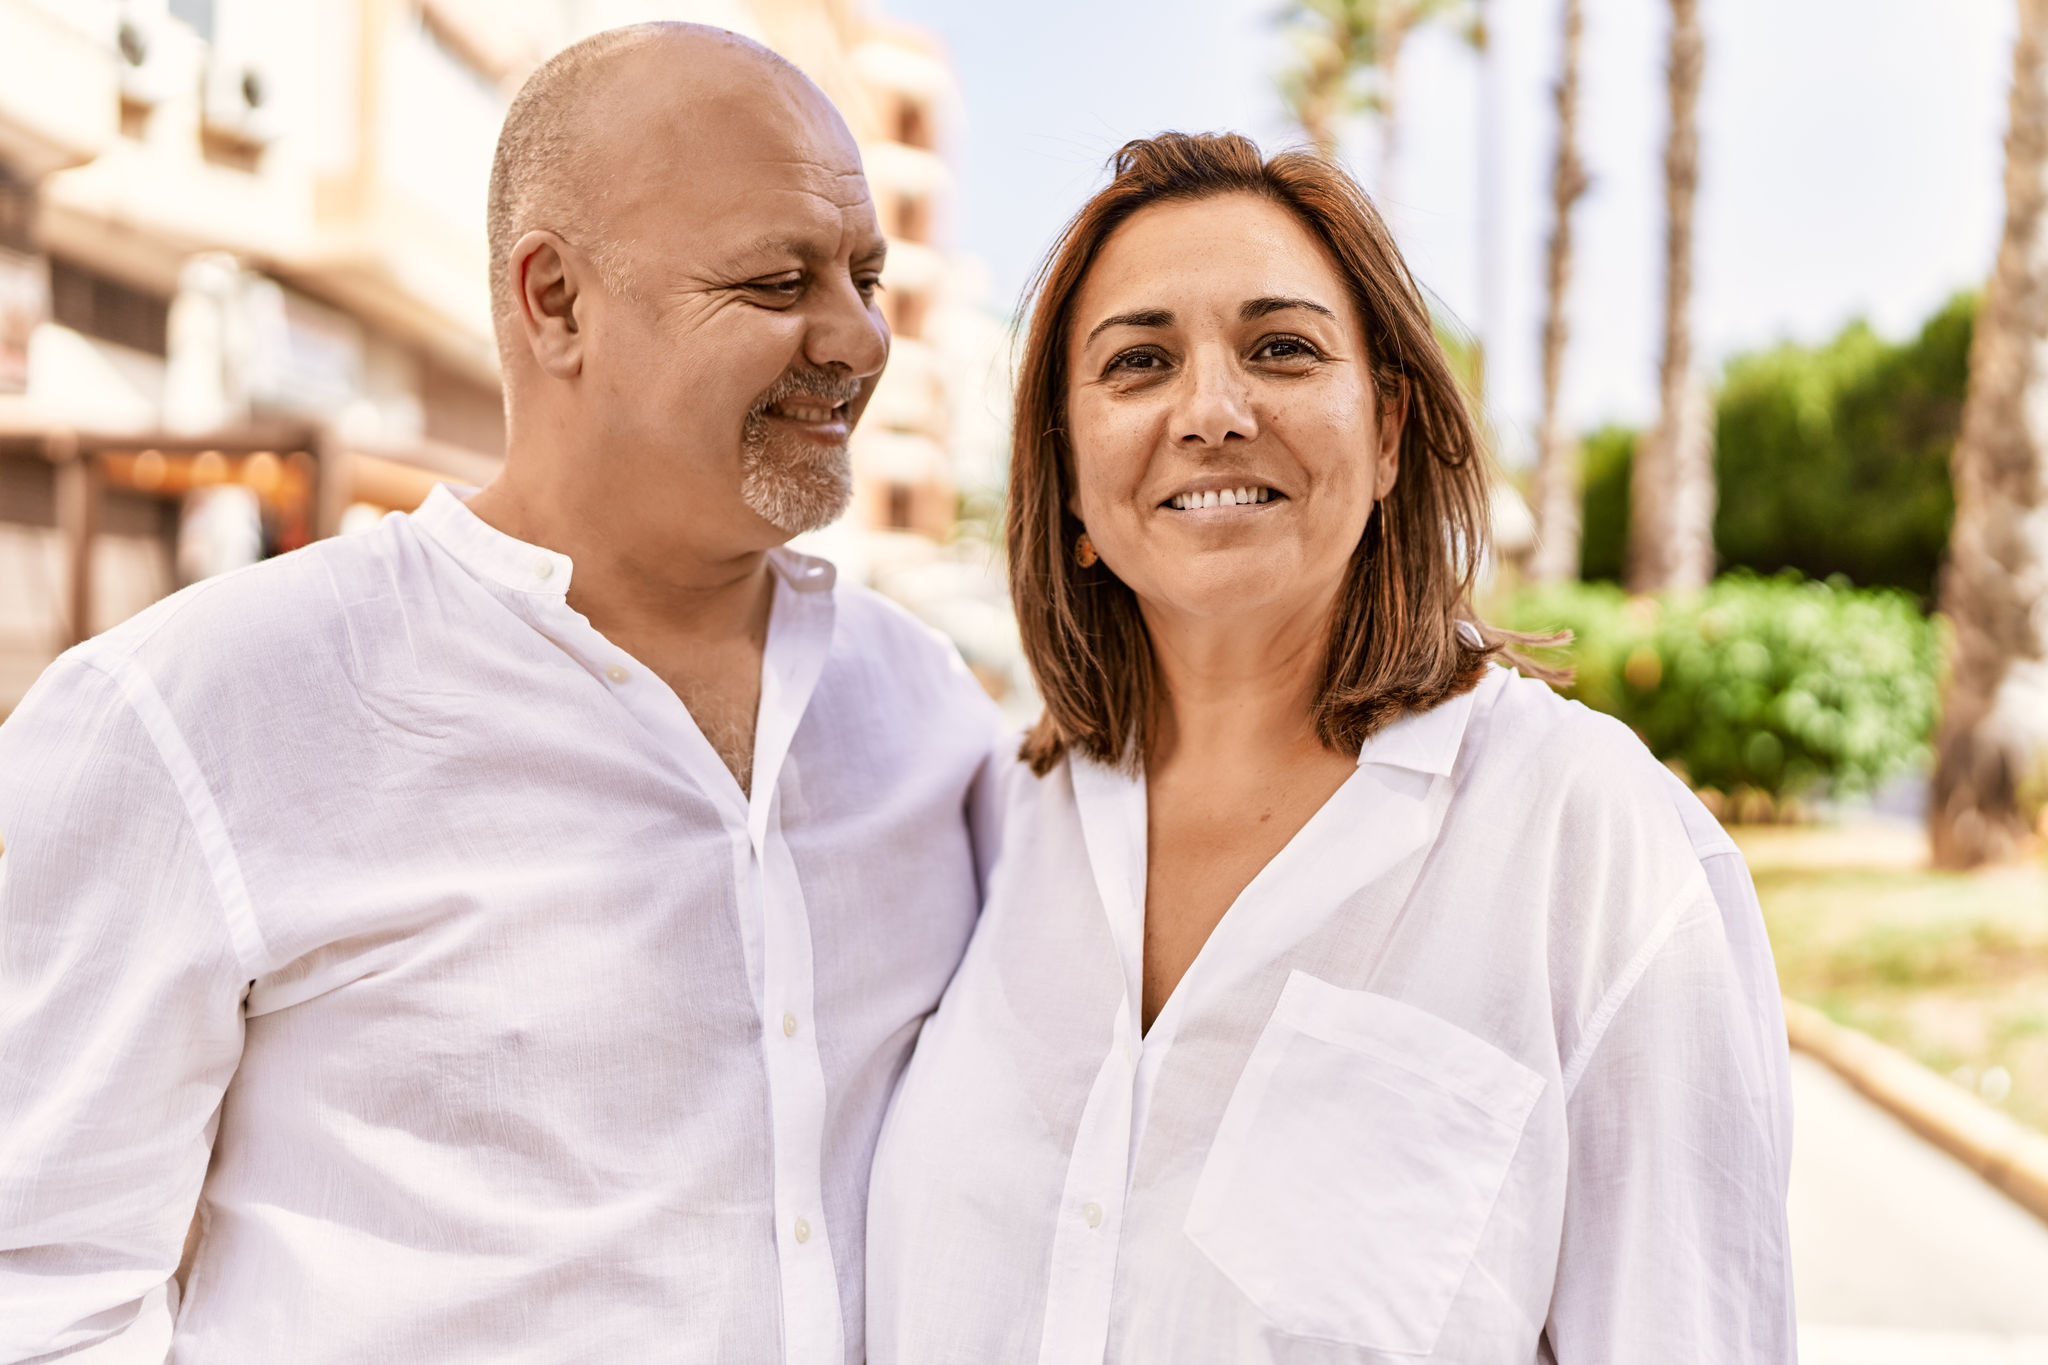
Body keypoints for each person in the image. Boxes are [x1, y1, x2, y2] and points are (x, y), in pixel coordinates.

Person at [0, 24, 997, 1364]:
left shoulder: (929, 713)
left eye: (866, 275)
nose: (859, 337)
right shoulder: (193, 712)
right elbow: (36, 1287)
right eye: (777, 282)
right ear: (555, 301)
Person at [866, 132, 1795, 1364]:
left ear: (1391, 433)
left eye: (1282, 349)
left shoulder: (1582, 835)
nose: (1210, 411)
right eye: (1137, 362)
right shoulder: (989, 822)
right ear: (1070, 479)